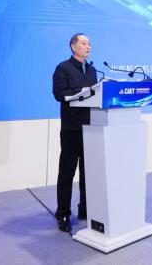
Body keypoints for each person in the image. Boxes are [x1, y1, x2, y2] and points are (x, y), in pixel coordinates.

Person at [52, 33, 97, 232]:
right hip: (71, 128)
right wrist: (81, 90)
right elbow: (59, 94)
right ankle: (63, 213)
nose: (88, 46)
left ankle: (85, 209)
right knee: (67, 172)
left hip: (91, 127)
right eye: (84, 43)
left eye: (89, 44)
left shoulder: (93, 70)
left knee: (88, 172)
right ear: (73, 46)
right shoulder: (63, 68)